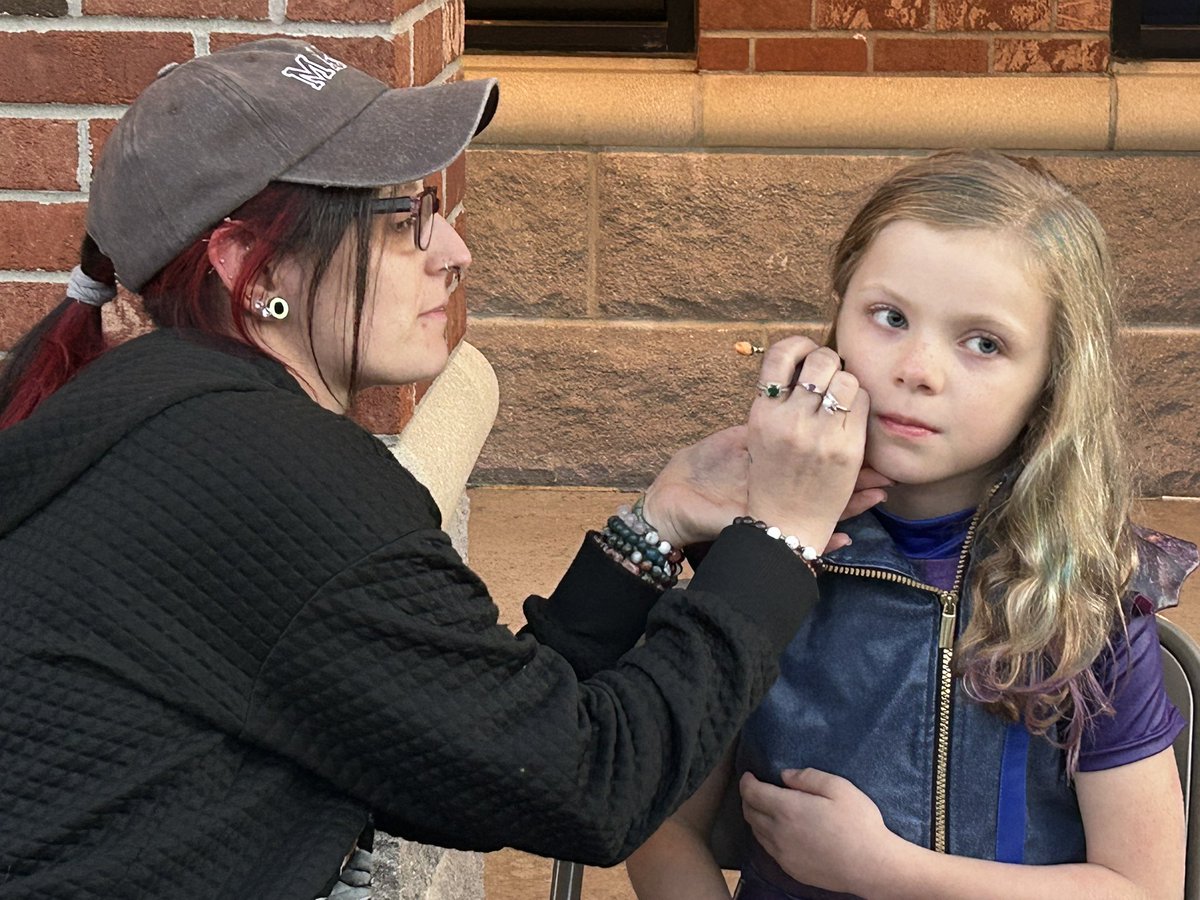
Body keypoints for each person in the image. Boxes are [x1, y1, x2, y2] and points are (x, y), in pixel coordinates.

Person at [0, 39, 877, 899]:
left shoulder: (170, 417)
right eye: (402, 218)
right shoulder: (270, 470)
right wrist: (781, 540)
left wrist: (657, 523)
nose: (453, 253)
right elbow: (589, 787)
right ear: (253, 265)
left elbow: (472, 745)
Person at [626, 150, 1199, 900]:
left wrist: (885, 871)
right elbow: (661, 831)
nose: (919, 368)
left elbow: (1141, 888)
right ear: (837, 319)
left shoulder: (1086, 595)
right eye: (890, 318)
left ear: (1053, 380)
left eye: (983, 342)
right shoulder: (759, 564)